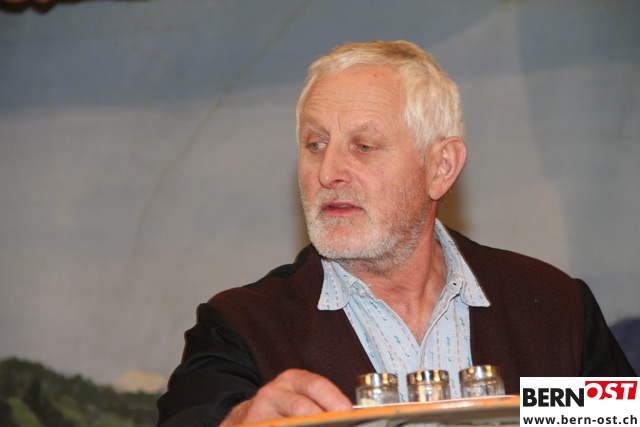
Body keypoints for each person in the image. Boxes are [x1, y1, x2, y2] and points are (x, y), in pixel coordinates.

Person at [156, 40, 635, 427]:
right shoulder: (239, 325)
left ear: (441, 167)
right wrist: (239, 421)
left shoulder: (556, 307)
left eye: (364, 146)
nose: (328, 172)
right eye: (315, 144)